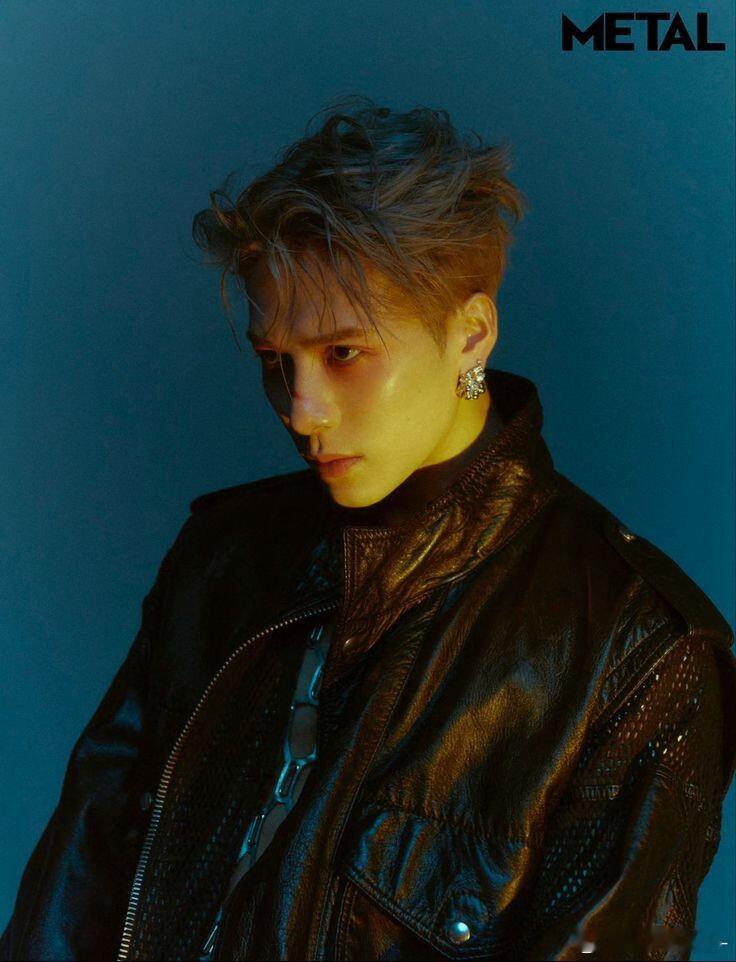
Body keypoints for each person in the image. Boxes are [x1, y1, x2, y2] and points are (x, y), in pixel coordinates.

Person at [2, 95, 734, 962]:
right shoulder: (222, 558)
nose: (301, 411)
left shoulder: (638, 651)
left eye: (344, 352)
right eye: (276, 361)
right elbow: (74, 889)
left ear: (471, 336)